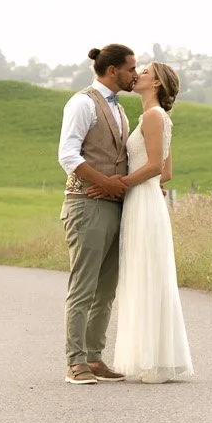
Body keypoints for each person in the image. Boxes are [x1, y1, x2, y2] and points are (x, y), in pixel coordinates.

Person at [57, 44, 137, 383]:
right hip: (85, 204)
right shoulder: (82, 103)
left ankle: (94, 358)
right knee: (83, 286)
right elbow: (68, 155)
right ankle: (75, 362)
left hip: (116, 206)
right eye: (131, 69)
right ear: (112, 70)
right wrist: (104, 182)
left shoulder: (120, 109)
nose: (135, 75)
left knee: (106, 290)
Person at [112, 61, 194, 383]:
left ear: (157, 83)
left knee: (145, 273)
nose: (138, 75)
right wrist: (143, 183)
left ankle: (152, 359)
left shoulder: (152, 116)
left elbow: (157, 167)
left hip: (143, 202)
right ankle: (157, 358)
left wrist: (121, 183)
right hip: (147, 200)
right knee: (149, 273)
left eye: (145, 72)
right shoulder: (157, 117)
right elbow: (167, 172)